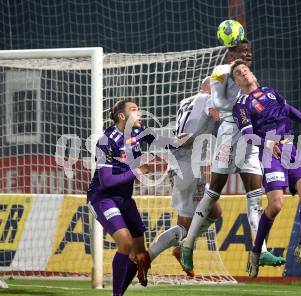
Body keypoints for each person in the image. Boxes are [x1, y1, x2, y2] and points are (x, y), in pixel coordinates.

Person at [180, 40, 286, 272]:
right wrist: (242, 102)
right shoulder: (220, 72)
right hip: (229, 134)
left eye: (249, 51)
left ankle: (262, 250)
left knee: (255, 197)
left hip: (250, 139)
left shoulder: (251, 80)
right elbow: (216, 102)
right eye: (242, 51)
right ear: (231, 55)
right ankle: (187, 244)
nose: (248, 54)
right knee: (213, 192)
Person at [230, 59, 301, 277]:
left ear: (253, 74)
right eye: (238, 73)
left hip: (290, 149)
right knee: (275, 206)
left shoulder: (271, 92)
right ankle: (256, 252)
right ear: (237, 82)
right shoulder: (241, 105)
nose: (243, 73)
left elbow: (290, 110)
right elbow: (248, 136)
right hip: (270, 152)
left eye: (245, 70)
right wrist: (268, 144)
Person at [145, 77, 221, 277]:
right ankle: (147, 257)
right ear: (208, 88)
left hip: (189, 166)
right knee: (183, 227)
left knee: (214, 211)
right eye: (216, 86)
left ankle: (183, 246)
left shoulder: (186, 101)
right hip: (185, 168)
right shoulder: (206, 99)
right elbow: (216, 118)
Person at [87, 100, 158, 294]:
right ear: (122, 116)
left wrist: (184, 139)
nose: (139, 113)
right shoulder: (105, 141)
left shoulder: (138, 132)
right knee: (126, 243)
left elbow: (165, 143)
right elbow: (107, 181)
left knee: (140, 254)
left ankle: (120, 292)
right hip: (102, 197)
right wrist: (138, 171)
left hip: (125, 199)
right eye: (133, 110)